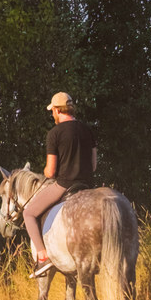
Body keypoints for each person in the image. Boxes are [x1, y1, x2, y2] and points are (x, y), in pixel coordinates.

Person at [24, 91, 98, 278]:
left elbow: (50, 171)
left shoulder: (54, 133)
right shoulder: (87, 130)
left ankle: (42, 257)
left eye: (52, 111)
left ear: (57, 110)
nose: (52, 115)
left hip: (65, 185)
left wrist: (47, 171)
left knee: (29, 213)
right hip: (88, 186)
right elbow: (94, 165)